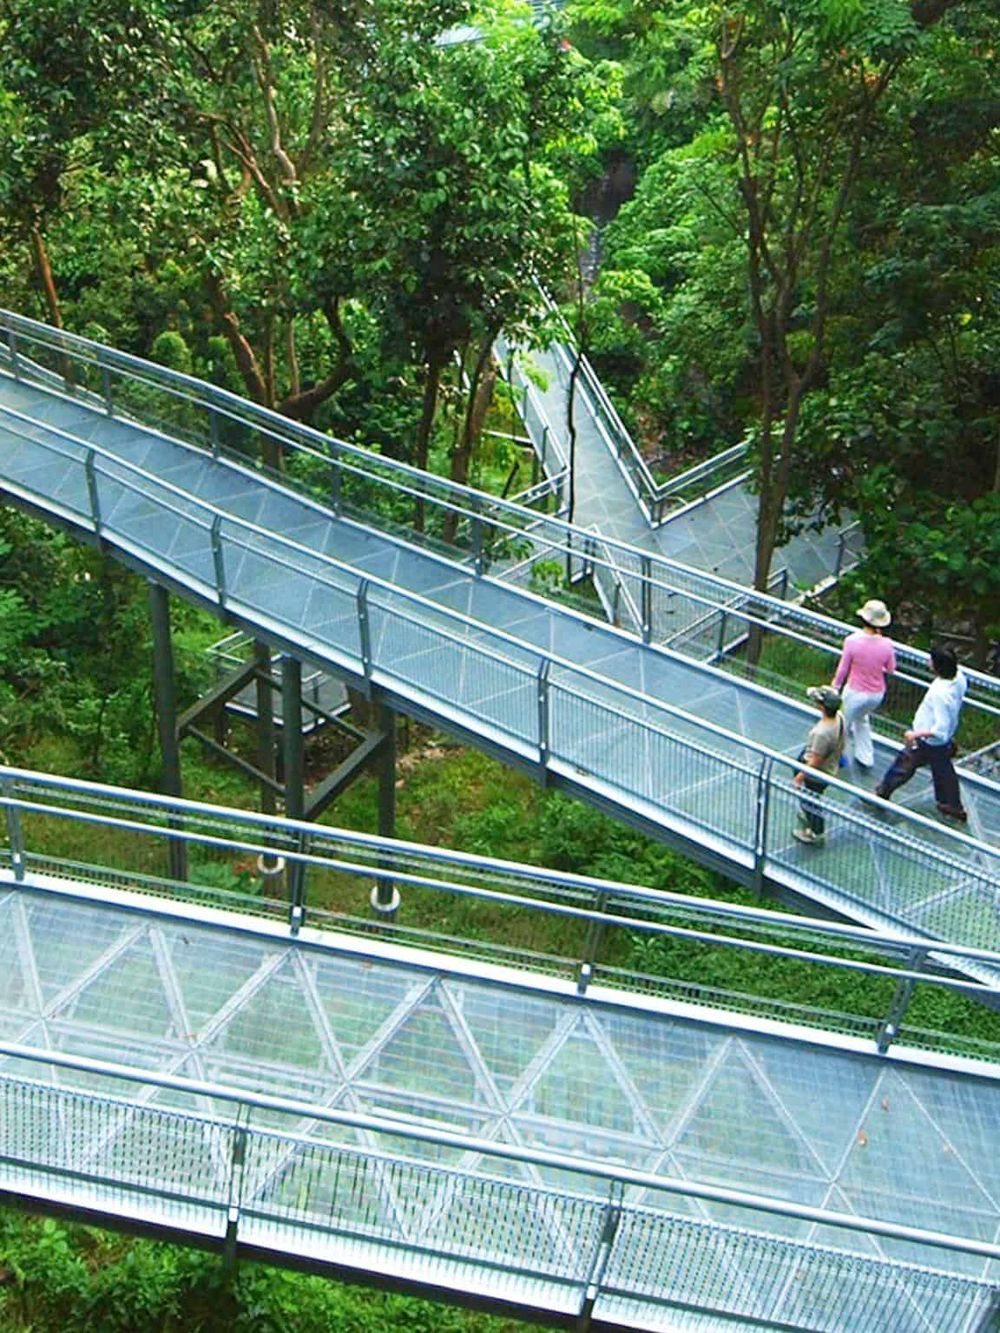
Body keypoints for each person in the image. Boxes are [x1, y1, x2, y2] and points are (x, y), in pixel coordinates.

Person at [874, 644, 968, 821]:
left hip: (928, 741)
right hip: (939, 742)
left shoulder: (940, 694)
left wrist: (915, 735)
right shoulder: (959, 679)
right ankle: (951, 805)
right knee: (942, 770)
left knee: (905, 765)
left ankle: (882, 793)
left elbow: (939, 730)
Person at [831, 599, 896, 770]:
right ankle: (866, 756)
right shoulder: (887, 644)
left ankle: (838, 757)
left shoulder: (852, 641)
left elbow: (843, 668)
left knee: (843, 724)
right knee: (862, 720)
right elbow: (891, 669)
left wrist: (835, 687)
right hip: (876, 694)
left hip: (855, 692)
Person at [793, 686, 846, 845]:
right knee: (811, 798)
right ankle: (808, 815)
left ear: (822, 707)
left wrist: (799, 778)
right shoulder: (839, 717)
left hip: (817, 774)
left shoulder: (822, 733)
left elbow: (816, 760)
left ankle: (816, 832)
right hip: (829, 765)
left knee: (810, 800)